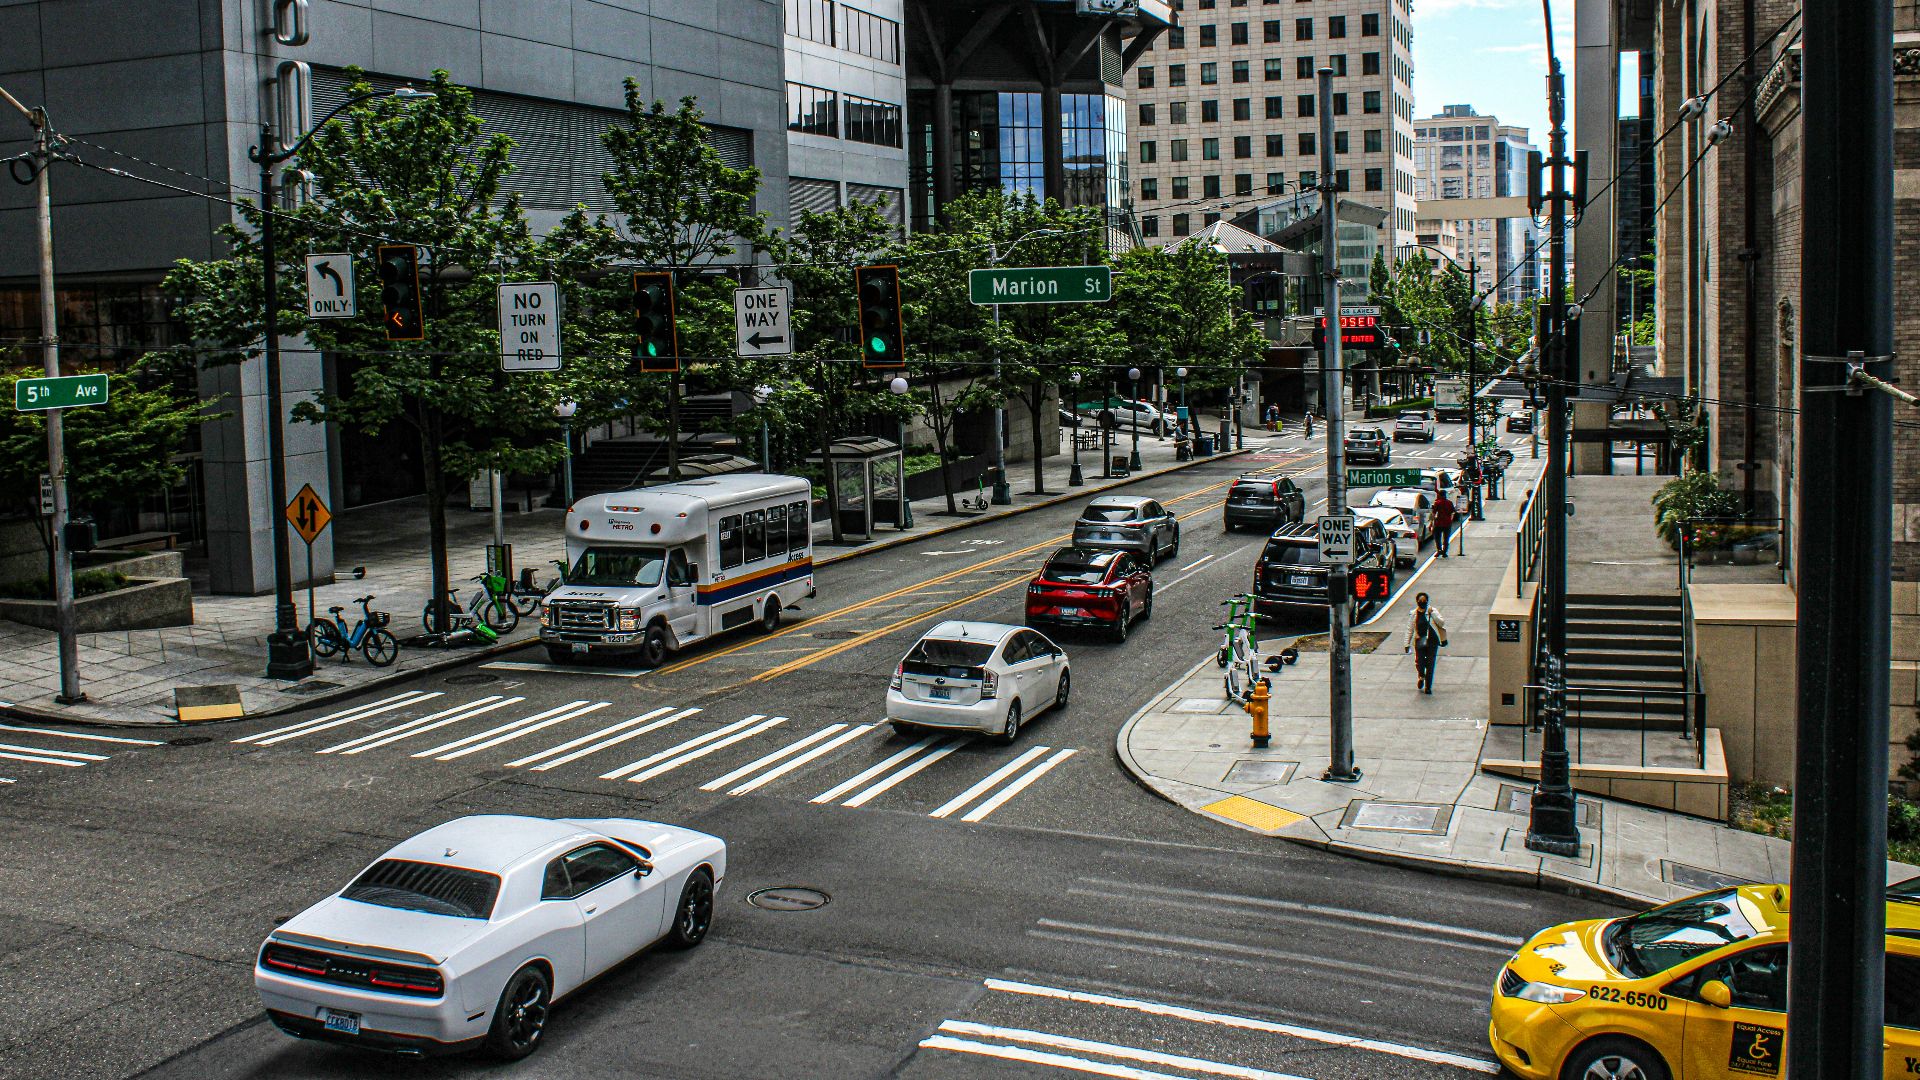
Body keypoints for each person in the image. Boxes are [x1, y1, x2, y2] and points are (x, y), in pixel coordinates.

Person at [1404, 591, 1447, 694]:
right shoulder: (1414, 614)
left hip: (1432, 641)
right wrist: (1406, 644)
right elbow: (1410, 629)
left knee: (1430, 664)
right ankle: (1421, 676)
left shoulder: (1432, 611)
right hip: (1420, 641)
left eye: (1424, 600)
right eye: (1420, 600)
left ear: (1427, 601)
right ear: (1417, 601)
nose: (1422, 602)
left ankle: (1428, 686)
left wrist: (1432, 614)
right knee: (1420, 662)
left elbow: (1442, 623)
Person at [1431, 490, 1456, 557]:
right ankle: (1444, 552)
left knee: (1437, 538)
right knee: (1446, 538)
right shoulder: (1449, 503)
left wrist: (1432, 522)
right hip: (1447, 523)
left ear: (1439, 495)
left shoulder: (1437, 503)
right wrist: (1451, 520)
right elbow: (1453, 512)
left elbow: (1434, 513)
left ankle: (1439, 550)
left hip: (1439, 523)